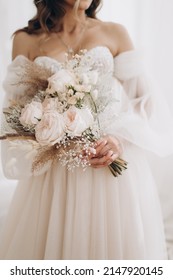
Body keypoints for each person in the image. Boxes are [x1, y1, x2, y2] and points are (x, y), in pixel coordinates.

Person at [0, 0, 172, 260]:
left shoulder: (115, 33)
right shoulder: (26, 40)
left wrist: (118, 139)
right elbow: (15, 113)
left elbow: (145, 104)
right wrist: (47, 124)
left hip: (108, 167)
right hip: (54, 172)